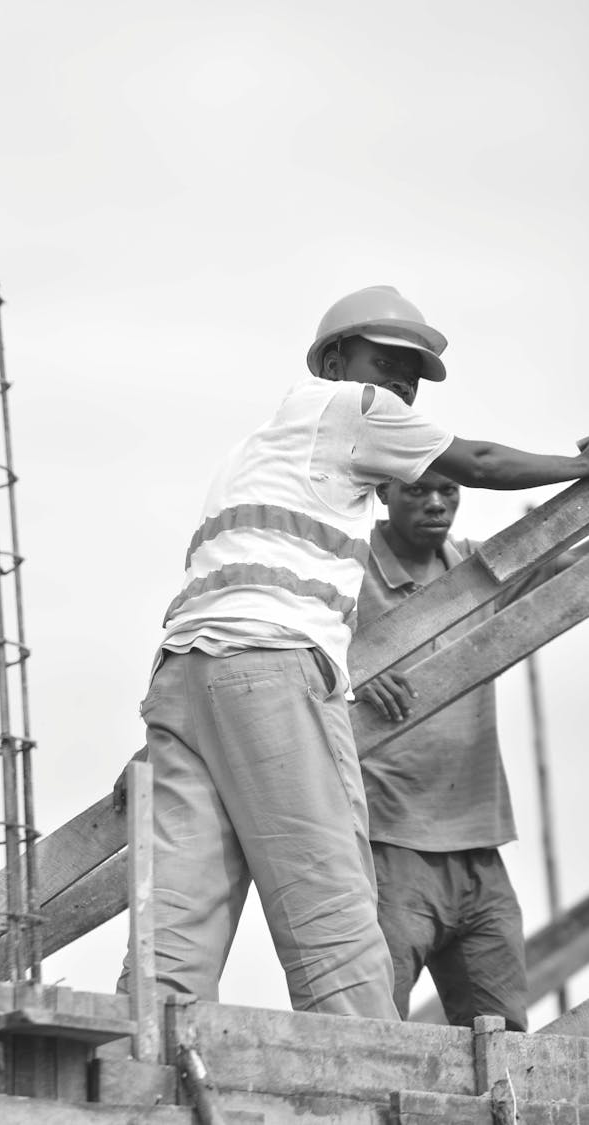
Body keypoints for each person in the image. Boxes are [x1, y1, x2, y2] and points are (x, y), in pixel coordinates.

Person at [118, 284, 589, 1019]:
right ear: (335, 360)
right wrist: (578, 465)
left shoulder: (260, 448)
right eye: (388, 361)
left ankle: (139, 1059)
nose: (402, 385)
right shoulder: (350, 410)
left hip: (183, 676)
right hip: (269, 668)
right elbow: (482, 460)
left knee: (177, 920)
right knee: (333, 909)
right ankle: (363, 1085)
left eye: (414, 373)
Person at [351, 470, 587, 1031]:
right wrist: (350, 669)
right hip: (387, 845)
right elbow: (287, 647)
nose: (436, 503)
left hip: (479, 848)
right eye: (417, 490)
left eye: (449, 492)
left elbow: (573, 567)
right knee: (374, 1033)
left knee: (504, 1038)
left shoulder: (479, 572)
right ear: (384, 493)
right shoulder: (345, 574)